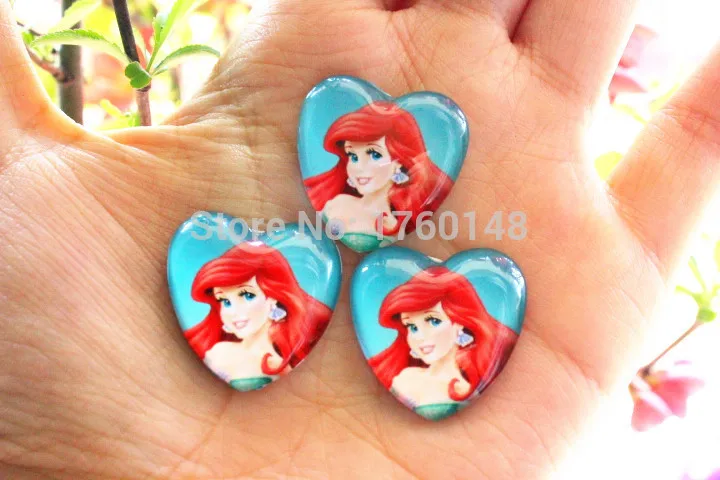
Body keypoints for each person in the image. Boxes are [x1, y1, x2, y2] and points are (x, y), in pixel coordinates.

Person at [2, 0, 720, 477]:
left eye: (373, 155)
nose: (357, 166)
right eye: (350, 154)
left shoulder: (434, 361)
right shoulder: (325, 245)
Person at [369, 267, 518, 420]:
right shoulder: (405, 378)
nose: (420, 336)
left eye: (434, 321)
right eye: (412, 327)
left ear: (459, 323)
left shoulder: (466, 388)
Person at [304, 101, 453, 251]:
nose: (359, 167)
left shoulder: (391, 225)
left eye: (375, 155)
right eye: (353, 156)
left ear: (398, 162)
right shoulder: (337, 202)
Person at [185, 242, 332, 391]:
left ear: (272, 297)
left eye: (247, 295)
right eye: (225, 301)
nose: (234, 311)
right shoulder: (218, 351)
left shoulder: (276, 364)